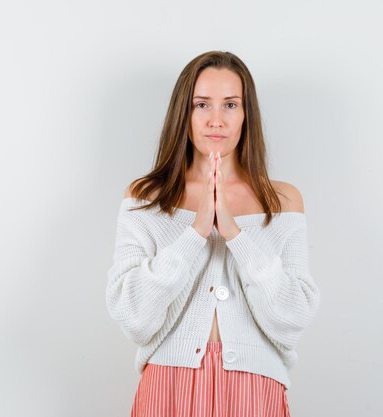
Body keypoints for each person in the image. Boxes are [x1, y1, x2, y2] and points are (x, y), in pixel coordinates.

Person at [105, 50, 321, 417]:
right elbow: (132, 316)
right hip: (167, 388)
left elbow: (293, 318)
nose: (216, 120)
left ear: (246, 114)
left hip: (256, 390)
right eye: (202, 104)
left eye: (231, 105)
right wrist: (196, 230)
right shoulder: (146, 198)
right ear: (183, 113)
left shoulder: (283, 200)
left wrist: (235, 234)